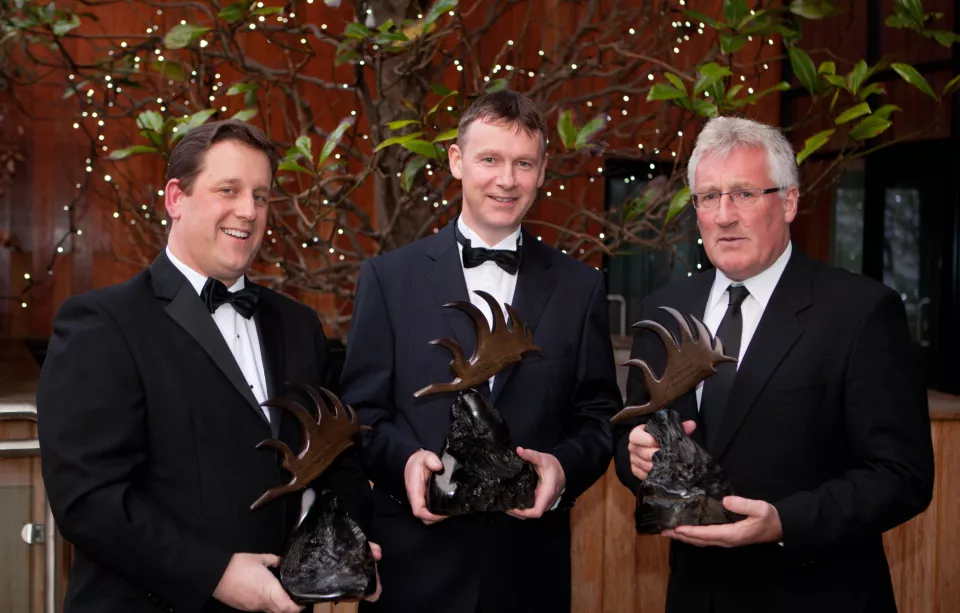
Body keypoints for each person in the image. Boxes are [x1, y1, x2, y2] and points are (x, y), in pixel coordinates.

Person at [37, 120, 379, 613]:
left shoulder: (298, 324)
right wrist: (214, 574)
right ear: (177, 198)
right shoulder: (101, 323)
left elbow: (335, 454)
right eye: (229, 190)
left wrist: (348, 546)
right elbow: (88, 501)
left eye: (260, 196)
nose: (248, 210)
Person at [613, 116, 935, 613]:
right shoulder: (664, 309)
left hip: (818, 594)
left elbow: (901, 475)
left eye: (744, 194)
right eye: (709, 197)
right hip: (698, 595)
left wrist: (784, 521)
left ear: (788, 202)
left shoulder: (861, 312)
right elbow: (632, 438)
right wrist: (634, 459)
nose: (724, 215)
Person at [339, 90, 622, 613]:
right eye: (490, 159)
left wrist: (561, 470)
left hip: (528, 577)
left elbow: (599, 418)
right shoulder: (387, 278)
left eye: (523, 163)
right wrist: (405, 464)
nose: (506, 179)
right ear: (456, 161)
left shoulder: (580, 288)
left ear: (540, 173)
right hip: (412, 575)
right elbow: (363, 414)